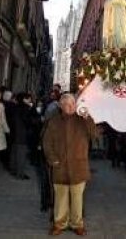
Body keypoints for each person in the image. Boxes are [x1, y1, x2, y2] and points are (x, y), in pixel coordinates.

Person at [43, 94, 98, 236]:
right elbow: (47, 142)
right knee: (60, 198)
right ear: (61, 106)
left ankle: (77, 224)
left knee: (77, 198)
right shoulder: (54, 121)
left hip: (78, 166)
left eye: (73, 103)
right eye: (67, 104)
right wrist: (52, 159)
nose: (71, 106)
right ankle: (59, 223)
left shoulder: (82, 120)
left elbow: (94, 134)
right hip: (59, 166)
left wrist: (88, 118)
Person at [10, 92, 33, 180]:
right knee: (21, 155)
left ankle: (13, 170)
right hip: (22, 135)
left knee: (14, 153)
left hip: (14, 133)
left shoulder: (15, 107)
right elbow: (27, 121)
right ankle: (20, 174)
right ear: (24, 99)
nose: (30, 100)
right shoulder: (25, 108)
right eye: (29, 98)